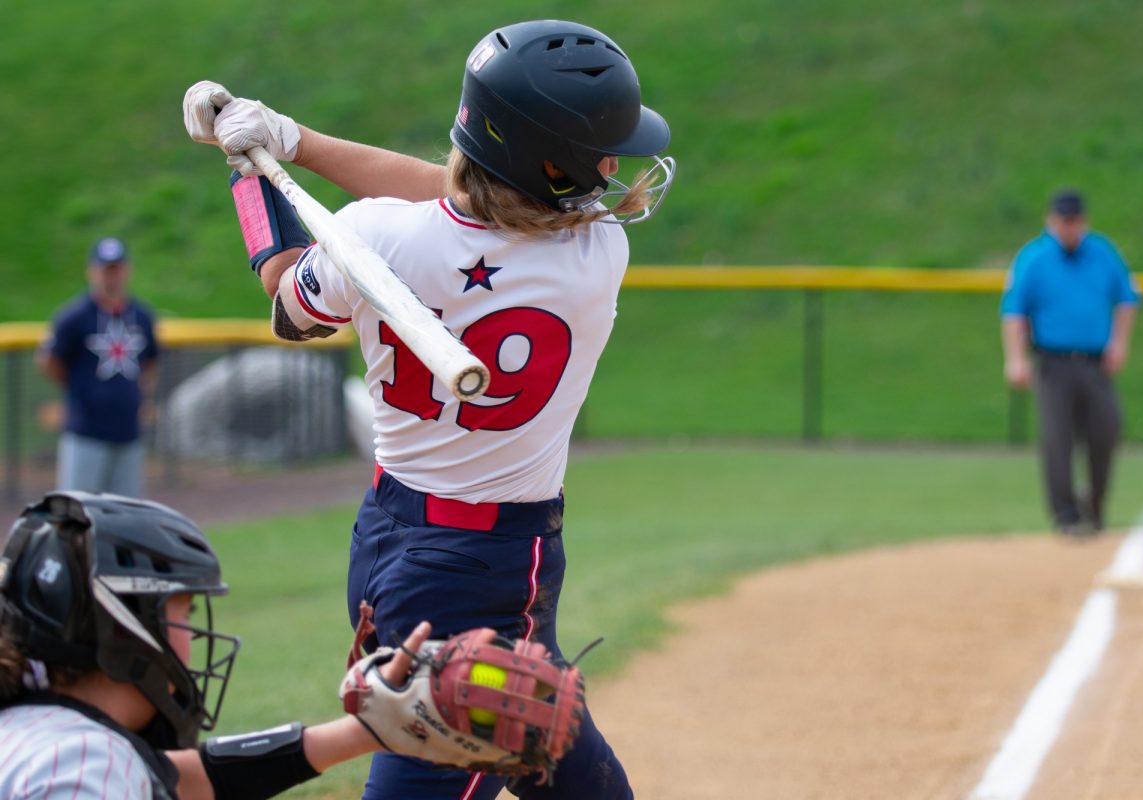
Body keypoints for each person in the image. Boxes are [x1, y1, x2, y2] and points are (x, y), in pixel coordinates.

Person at [183, 18, 675, 800]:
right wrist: (289, 141)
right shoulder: (597, 253)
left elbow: (287, 298)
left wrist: (255, 171)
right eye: (600, 154)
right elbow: (467, 201)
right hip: (493, 560)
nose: (615, 168)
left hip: (388, 535)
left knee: (552, 745)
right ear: (549, 163)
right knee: (456, 749)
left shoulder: (375, 235)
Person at [0, 489, 434, 799]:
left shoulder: (38, 738)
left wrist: (361, 734)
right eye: (183, 614)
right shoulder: (84, 767)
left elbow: (183, 781)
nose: (194, 635)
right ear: (123, 629)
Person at [1000, 189, 1140, 537]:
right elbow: (1014, 312)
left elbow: (1126, 298)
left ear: (1083, 221)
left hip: (1095, 363)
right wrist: (1015, 359)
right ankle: (1066, 516)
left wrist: (1119, 343)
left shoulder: (1102, 252)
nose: (1069, 227)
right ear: (1051, 221)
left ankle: (1094, 507)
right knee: (1057, 440)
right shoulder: (1034, 258)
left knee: (1106, 431)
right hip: (1053, 362)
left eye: (1074, 220)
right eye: (1063, 221)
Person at [37, 237, 159, 497]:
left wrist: (141, 396)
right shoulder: (74, 316)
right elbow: (49, 360)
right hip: (86, 432)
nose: (111, 277)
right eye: (105, 270)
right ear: (92, 271)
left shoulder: (141, 315)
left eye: (116, 269)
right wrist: (79, 389)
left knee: (126, 516)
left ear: (127, 271)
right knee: (78, 514)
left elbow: (150, 361)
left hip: (127, 433)